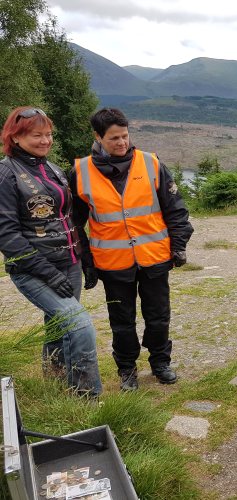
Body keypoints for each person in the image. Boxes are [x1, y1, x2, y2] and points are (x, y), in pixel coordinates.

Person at [70, 108, 193, 391]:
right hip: (113, 263)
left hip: (155, 257)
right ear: (97, 137)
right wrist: (86, 261)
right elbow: (74, 224)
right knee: (121, 321)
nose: (122, 142)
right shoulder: (80, 172)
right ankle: (126, 369)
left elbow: (176, 209)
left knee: (158, 315)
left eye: (125, 136)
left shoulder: (151, 164)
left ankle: (160, 362)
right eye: (114, 138)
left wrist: (178, 245)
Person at [0, 106, 102, 397]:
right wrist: (47, 272)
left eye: (48, 134)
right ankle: (86, 398)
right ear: (15, 137)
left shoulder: (52, 169)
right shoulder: (5, 174)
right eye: (36, 135)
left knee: (58, 326)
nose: (45, 140)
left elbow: (68, 219)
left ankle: (56, 385)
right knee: (79, 325)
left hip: (68, 263)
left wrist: (86, 258)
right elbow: (7, 236)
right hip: (33, 269)